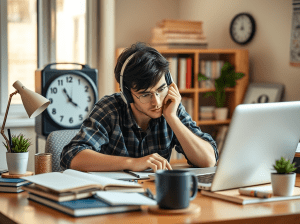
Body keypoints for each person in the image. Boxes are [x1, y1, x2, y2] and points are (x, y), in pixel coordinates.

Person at [60, 42, 218, 172]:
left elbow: (209, 160)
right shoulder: (109, 108)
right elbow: (71, 156)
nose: (156, 102)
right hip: (112, 199)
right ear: (127, 95)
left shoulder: (170, 106)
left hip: (154, 196)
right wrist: (132, 163)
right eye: (145, 94)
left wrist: (172, 119)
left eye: (161, 89)